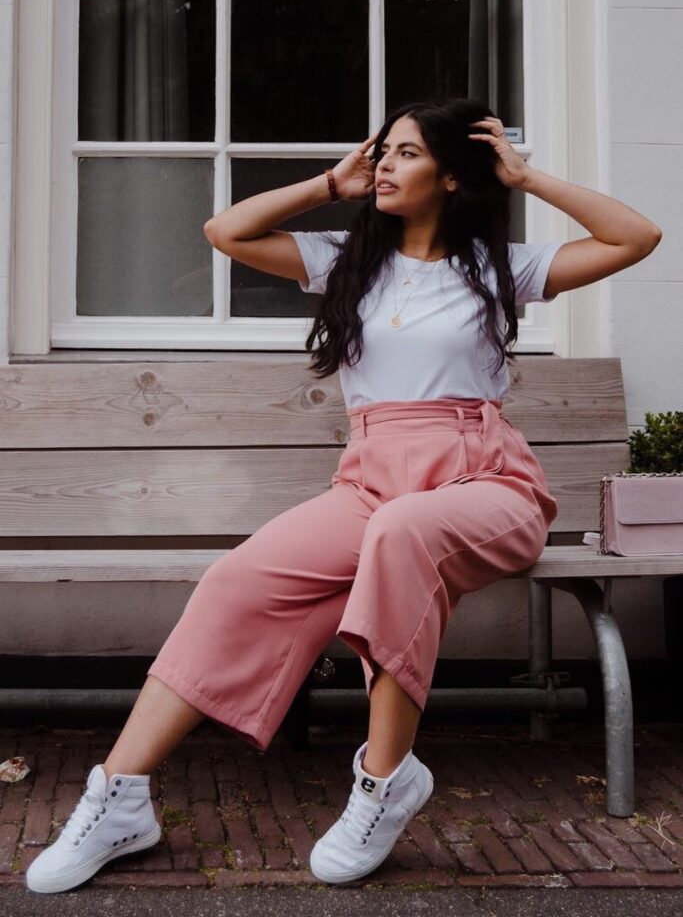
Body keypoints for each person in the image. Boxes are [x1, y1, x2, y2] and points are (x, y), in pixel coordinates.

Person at [26, 96, 662, 893]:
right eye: (381, 152)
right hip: (370, 480)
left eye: (403, 154)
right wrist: (331, 181)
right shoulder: (343, 260)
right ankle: (120, 795)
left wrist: (525, 175)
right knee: (238, 579)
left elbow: (635, 236)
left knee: (401, 534)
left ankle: (383, 779)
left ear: (453, 177)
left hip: (485, 483)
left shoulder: (505, 269)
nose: (384, 165)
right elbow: (226, 232)